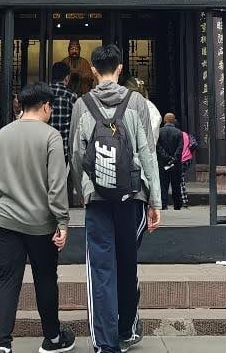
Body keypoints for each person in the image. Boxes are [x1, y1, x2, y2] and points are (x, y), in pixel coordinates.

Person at [69, 44, 161, 353]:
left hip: (98, 199)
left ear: (93, 70)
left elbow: (77, 154)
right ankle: (126, 329)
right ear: (120, 68)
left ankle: (105, 344)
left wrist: (85, 191)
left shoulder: (82, 105)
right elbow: (147, 153)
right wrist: (155, 201)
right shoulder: (136, 102)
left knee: (101, 269)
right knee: (127, 264)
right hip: (131, 197)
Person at [0, 82, 75, 353]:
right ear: (45, 106)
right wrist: (62, 221)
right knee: (45, 278)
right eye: (51, 107)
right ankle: (53, 338)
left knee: (8, 279)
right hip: (41, 224)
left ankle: (3, 345)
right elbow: (57, 185)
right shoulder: (51, 136)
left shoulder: (3, 135)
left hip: (6, 221)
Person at [48, 63, 80, 203]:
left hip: (44, 145)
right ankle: (66, 203)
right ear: (67, 78)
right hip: (64, 147)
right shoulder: (71, 96)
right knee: (66, 178)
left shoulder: (43, 95)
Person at [157, 112, 186, 211]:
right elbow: (180, 147)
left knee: (163, 185)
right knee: (176, 185)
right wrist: (174, 158)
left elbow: (158, 147)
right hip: (175, 164)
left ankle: (163, 204)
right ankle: (177, 205)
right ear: (174, 121)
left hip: (163, 163)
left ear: (164, 120)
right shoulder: (179, 132)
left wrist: (166, 157)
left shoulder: (159, 132)